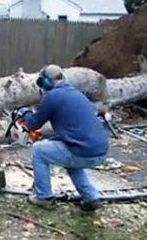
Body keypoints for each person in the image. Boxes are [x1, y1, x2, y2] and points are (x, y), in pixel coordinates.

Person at [17, 64, 109, 211]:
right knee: (71, 161)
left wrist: (24, 112)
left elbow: (33, 123)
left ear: (46, 82)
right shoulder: (78, 94)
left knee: (39, 151)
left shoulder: (52, 96)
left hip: (83, 151)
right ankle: (91, 197)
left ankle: (43, 197)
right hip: (100, 151)